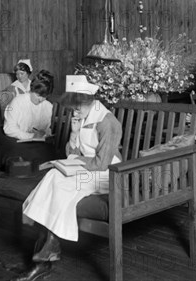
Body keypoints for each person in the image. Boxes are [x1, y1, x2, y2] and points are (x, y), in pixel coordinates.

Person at [12, 75, 123, 281]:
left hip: (107, 175)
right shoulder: (82, 117)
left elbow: (101, 163)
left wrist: (73, 163)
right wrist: (74, 134)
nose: (75, 111)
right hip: (86, 169)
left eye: (78, 106)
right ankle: (44, 257)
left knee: (61, 188)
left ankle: (43, 262)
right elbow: (72, 152)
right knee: (53, 176)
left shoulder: (108, 123)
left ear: (91, 100)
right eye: (73, 107)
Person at [0, 70, 56, 169]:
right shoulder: (18, 101)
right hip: (11, 136)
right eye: (38, 95)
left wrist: (45, 133)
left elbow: (46, 128)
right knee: (18, 152)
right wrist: (29, 136)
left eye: (44, 97)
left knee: (46, 150)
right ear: (32, 90)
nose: (41, 99)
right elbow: (9, 129)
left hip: (33, 140)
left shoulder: (48, 106)